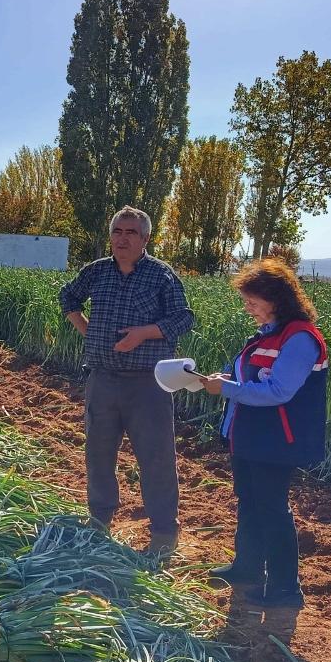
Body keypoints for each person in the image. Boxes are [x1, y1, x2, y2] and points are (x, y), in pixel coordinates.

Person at [58, 205, 195, 554]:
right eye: (117, 231)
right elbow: (68, 296)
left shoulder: (161, 275)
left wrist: (144, 334)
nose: (122, 238)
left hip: (147, 385)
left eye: (130, 232)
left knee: (156, 459)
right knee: (98, 455)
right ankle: (100, 521)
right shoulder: (97, 272)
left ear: (145, 239)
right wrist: (85, 329)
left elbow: (182, 318)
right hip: (102, 380)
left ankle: (164, 533)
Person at [201, 258, 327, 608]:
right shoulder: (267, 334)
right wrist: (223, 377)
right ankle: (247, 568)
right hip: (250, 436)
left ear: (275, 298)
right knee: (250, 502)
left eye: (252, 301)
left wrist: (226, 390)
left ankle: (286, 589)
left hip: (277, 440)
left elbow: (278, 391)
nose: (248, 308)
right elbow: (247, 373)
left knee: (272, 508)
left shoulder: (300, 338)